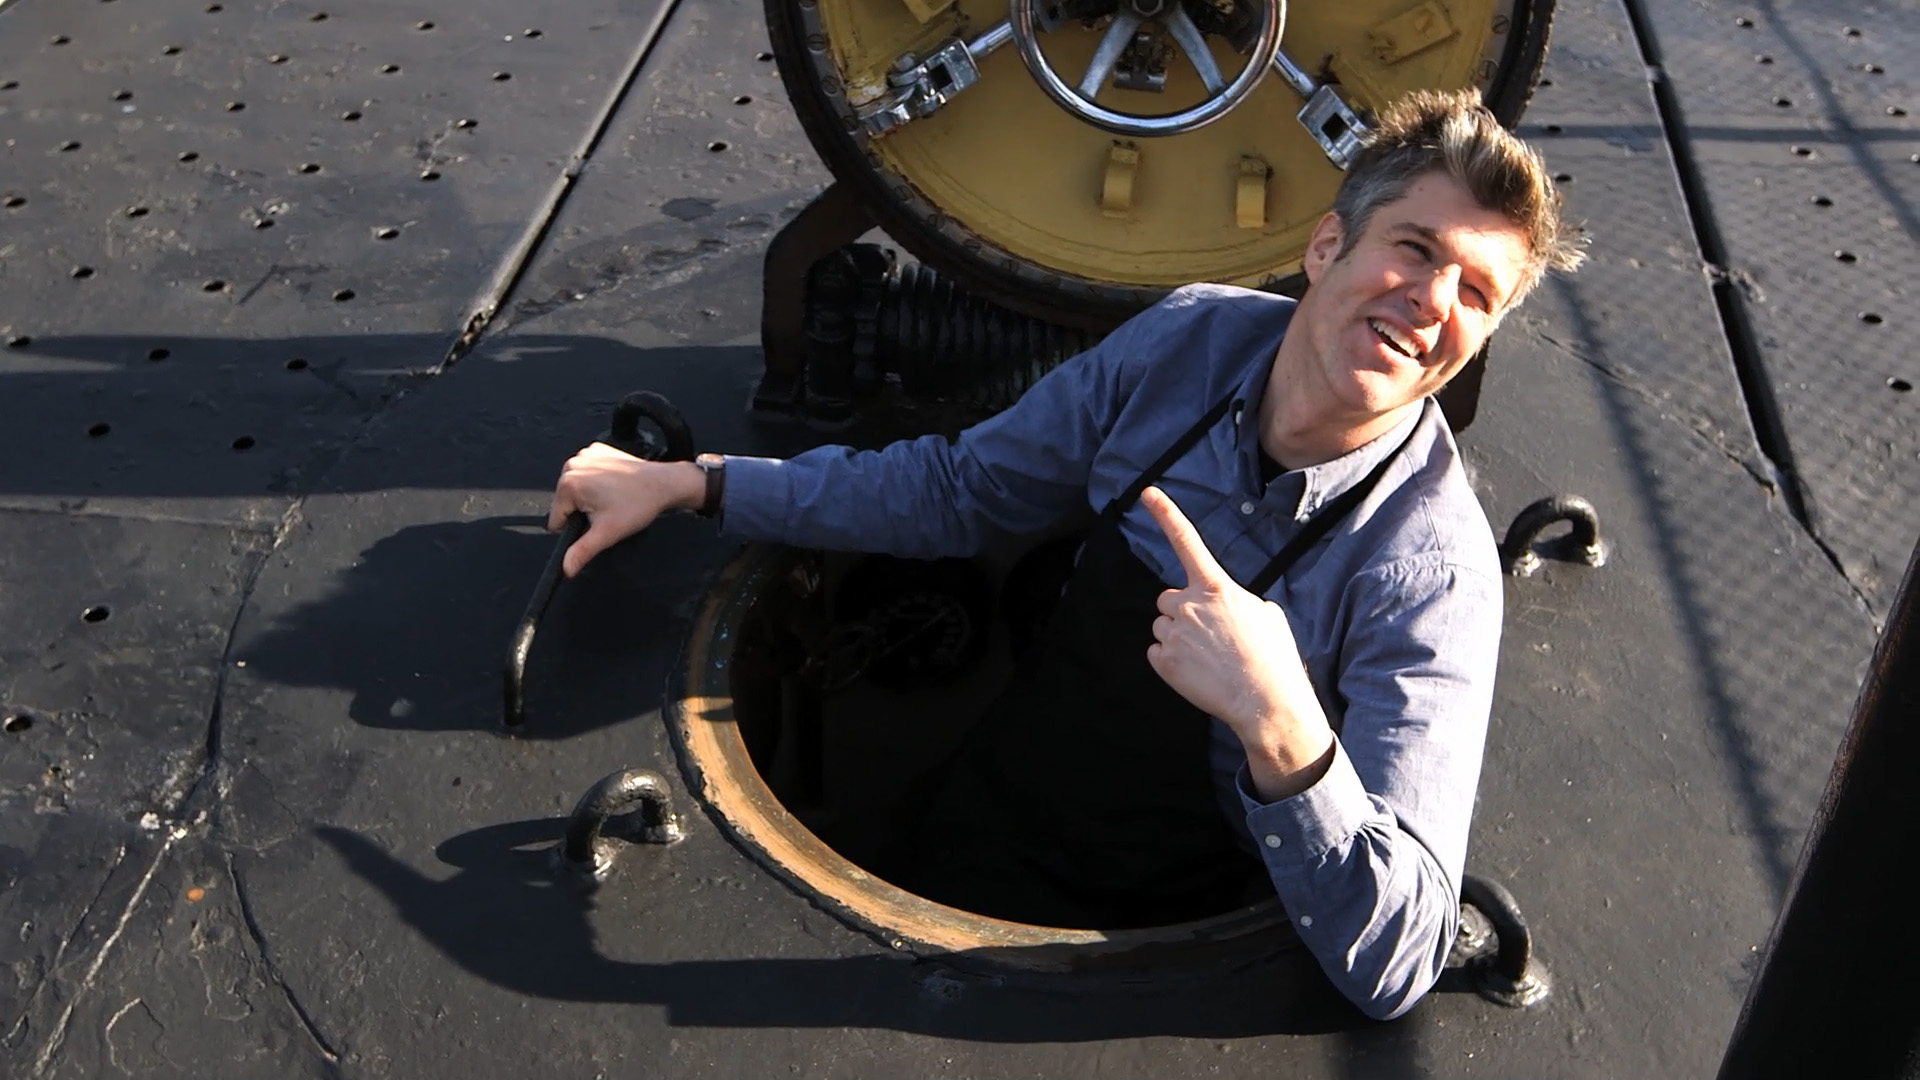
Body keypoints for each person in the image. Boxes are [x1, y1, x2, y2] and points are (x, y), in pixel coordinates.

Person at [548, 88, 1584, 1020]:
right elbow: (962, 489)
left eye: (1477, 293)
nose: (1433, 299)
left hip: (1158, 934)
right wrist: (702, 483)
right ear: (1327, 250)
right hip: (995, 802)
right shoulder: (1186, 344)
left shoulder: (1428, 571)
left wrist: (1283, 727)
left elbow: (1398, 957)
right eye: (1415, 248)